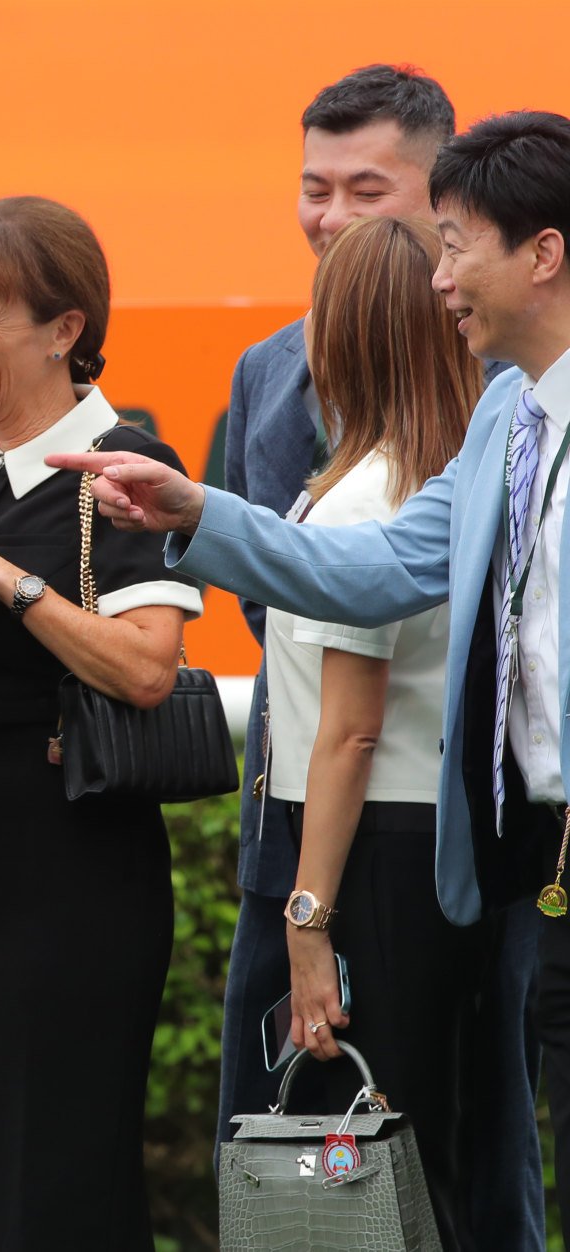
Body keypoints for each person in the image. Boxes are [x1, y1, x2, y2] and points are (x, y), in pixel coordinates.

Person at [55, 110, 570, 1239]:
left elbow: (352, 710)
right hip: (529, 860)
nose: (437, 280)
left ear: (541, 252)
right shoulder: (502, 418)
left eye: (453, 244)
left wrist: (305, 914)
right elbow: (379, 566)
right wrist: (196, 510)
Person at [0, 196, 201, 1250]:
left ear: (63, 329)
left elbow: (145, 669)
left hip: (72, 874)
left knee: (59, 1173)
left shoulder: (125, 463)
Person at [266, 215, 483, 1246]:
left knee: (360, 1171)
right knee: (418, 1157)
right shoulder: (449, 482)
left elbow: (345, 731)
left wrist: (306, 921)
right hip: (417, 844)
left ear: (344, 333)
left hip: (364, 854)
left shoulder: (365, 498)